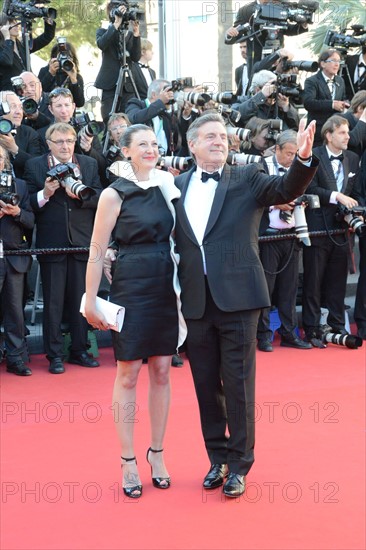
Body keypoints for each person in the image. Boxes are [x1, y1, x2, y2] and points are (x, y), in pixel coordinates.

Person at [173, 112, 318, 497]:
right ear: (192, 144)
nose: (219, 141)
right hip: (196, 301)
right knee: (205, 385)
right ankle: (216, 459)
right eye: (209, 136)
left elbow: (285, 189)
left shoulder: (247, 178)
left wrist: (302, 160)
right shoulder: (177, 186)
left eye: (223, 136)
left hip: (239, 299)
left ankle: (239, 464)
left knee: (237, 384)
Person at [84, 124, 187, 499]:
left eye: (155, 144)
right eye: (142, 144)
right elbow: (97, 250)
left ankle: (156, 454)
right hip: (129, 285)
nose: (150, 149)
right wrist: (91, 299)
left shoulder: (166, 185)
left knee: (162, 369)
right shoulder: (113, 193)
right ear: (125, 150)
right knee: (128, 372)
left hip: (164, 281)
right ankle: (128, 459)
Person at [24, 122, 103, 374]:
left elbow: (101, 198)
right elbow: (28, 207)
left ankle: (80, 350)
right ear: (49, 144)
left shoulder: (88, 164)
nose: (65, 146)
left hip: (82, 243)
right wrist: (44, 194)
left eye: (69, 141)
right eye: (59, 142)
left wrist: (81, 196)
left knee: (82, 299)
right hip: (52, 244)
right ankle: (54, 355)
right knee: (54, 303)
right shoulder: (35, 165)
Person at [302, 115, 360, 347]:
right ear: (329, 135)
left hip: (342, 230)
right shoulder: (313, 155)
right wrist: (336, 196)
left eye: (348, 132)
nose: (348, 137)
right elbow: (309, 187)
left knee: (338, 282)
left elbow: (355, 191)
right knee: (313, 282)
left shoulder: (353, 158)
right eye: (343, 132)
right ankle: (312, 329)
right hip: (316, 227)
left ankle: (337, 326)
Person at [256, 130, 312, 351]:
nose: (292, 158)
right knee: (266, 289)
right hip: (267, 236)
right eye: (288, 154)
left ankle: (289, 333)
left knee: (289, 289)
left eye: (295, 154)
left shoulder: (298, 167)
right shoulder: (260, 166)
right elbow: (251, 196)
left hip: (292, 234)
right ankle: (264, 335)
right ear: (276, 149)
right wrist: (275, 202)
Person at [0, 145, 34, 376]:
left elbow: (31, 221)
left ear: (5, 161)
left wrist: (16, 212)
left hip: (13, 257)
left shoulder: (19, 186)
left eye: (0, 157)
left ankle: (15, 358)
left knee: (15, 312)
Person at [225, 0, 308, 77]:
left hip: (278, 60)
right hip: (256, 62)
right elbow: (236, 33)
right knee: (258, 90)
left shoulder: (280, 6)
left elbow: (287, 29)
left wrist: (303, 24)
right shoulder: (245, 10)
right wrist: (230, 34)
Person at [95, 1, 141, 125]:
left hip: (128, 84)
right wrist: (116, 24)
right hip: (110, 83)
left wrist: (136, 34)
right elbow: (102, 44)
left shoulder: (129, 35)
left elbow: (136, 58)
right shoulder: (103, 32)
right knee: (109, 119)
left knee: (129, 120)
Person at [303, 49, 348, 147]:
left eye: (338, 61)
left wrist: (345, 104)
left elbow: (343, 98)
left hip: (335, 132)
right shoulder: (312, 81)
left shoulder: (340, 81)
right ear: (323, 64)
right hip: (317, 132)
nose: (337, 64)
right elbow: (308, 103)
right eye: (333, 61)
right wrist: (332, 104)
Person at [125, 79, 183, 156]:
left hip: (164, 163)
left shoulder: (166, 116)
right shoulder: (136, 104)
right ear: (153, 94)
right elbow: (135, 119)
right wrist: (160, 102)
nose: (169, 97)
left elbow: (178, 142)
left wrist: (184, 112)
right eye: (166, 93)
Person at [0, 13, 56, 91]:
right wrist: (7, 38)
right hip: (10, 93)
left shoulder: (23, 45)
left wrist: (48, 19)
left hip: (28, 90)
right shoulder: (2, 47)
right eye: (11, 23)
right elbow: (7, 61)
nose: (16, 25)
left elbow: (46, 37)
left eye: (16, 22)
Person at [233, 69, 299, 130]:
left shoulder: (280, 105)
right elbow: (237, 117)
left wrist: (286, 107)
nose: (274, 92)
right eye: (271, 88)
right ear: (257, 90)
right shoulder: (244, 101)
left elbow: (296, 128)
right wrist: (261, 96)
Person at [0, 90, 42, 178]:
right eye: (13, 107)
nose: (19, 112)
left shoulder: (30, 133)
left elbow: (37, 166)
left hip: (21, 188)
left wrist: (15, 150)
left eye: (20, 107)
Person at [38, 40, 85, 107]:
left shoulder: (76, 77)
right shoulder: (45, 71)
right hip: (47, 113)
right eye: (61, 57)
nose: (64, 60)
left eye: (68, 57)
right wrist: (50, 74)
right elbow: (39, 95)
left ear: (73, 59)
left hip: (67, 114)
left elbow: (80, 103)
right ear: (53, 58)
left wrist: (73, 80)